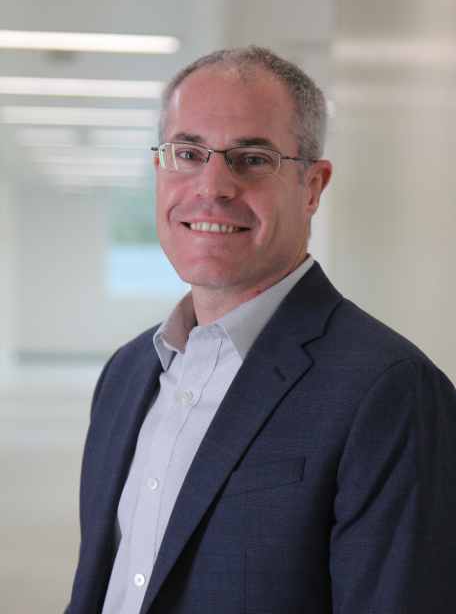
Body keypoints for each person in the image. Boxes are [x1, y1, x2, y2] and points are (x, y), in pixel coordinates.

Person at [67, 46, 456, 614]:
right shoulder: (126, 374)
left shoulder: (390, 391)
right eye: (188, 152)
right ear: (160, 169)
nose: (212, 186)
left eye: (251, 158)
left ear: (313, 186)